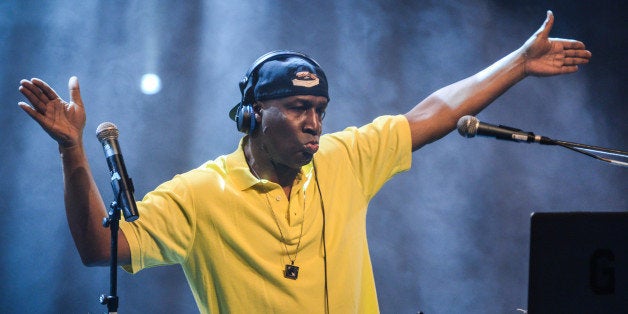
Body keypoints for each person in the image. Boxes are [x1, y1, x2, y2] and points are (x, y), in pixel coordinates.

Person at [18, 11, 591, 313]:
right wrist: (73, 151)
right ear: (252, 115)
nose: (315, 122)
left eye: (320, 108)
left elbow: (436, 110)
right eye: (298, 108)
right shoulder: (198, 194)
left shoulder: (347, 158)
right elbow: (101, 249)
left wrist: (517, 63)